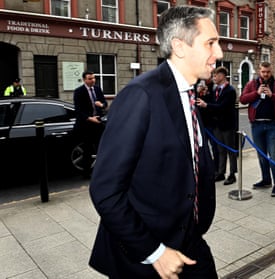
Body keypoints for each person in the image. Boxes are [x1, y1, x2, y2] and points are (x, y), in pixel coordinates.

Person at [88, 6, 222, 278]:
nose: (218, 53)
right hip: (145, 255)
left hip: (190, 241)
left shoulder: (188, 94)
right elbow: (105, 190)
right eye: (210, 43)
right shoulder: (141, 95)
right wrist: (155, 252)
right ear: (179, 46)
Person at [240, 61, 275, 197]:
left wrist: (272, 95)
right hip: (256, 124)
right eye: (263, 72)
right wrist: (256, 93)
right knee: (261, 155)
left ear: (271, 71)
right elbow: (243, 99)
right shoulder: (252, 84)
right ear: (259, 71)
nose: (266, 74)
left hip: (273, 125)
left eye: (268, 72)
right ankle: (266, 180)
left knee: (273, 155)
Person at [197, 66, 238, 185]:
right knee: (220, 150)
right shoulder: (216, 90)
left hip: (227, 125)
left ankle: (232, 174)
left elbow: (222, 107)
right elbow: (213, 104)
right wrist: (204, 96)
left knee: (230, 150)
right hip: (217, 125)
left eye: (216, 75)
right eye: (213, 75)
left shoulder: (229, 90)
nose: (214, 78)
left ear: (223, 76)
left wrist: (206, 105)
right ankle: (221, 172)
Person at [73, 71, 107, 178]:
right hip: (86, 124)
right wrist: (90, 118)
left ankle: (102, 170)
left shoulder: (97, 89)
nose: (92, 80)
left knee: (102, 147)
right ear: (84, 80)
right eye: (90, 78)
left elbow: (104, 104)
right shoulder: (79, 91)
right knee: (87, 149)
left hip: (98, 122)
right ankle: (86, 173)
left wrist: (101, 104)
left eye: (93, 78)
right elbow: (78, 110)